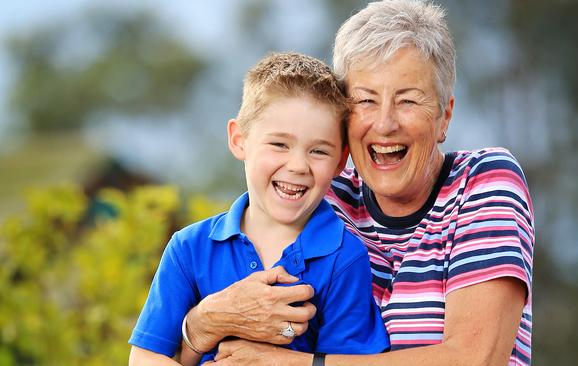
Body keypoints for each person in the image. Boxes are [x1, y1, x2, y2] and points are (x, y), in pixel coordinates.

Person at [188, 1, 535, 365]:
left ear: (444, 116)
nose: (385, 124)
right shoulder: (323, 193)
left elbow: (476, 359)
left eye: (407, 101)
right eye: (366, 100)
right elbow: (234, 311)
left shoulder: (483, 182)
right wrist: (203, 323)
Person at [128, 52, 389, 366]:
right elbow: (145, 356)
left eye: (318, 150)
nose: (297, 165)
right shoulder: (189, 248)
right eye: (279, 144)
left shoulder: (345, 259)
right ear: (239, 140)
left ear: (340, 161)